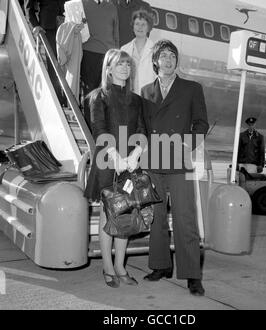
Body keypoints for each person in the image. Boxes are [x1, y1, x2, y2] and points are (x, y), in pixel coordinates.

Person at [141, 40, 209, 296]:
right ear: (155, 61)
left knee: (185, 219)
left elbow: (201, 124)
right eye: (163, 56)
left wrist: (185, 146)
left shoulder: (192, 88)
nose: (168, 60)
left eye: (172, 56)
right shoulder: (146, 91)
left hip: (180, 161)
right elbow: (143, 128)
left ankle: (192, 275)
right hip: (153, 163)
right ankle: (160, 266)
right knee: (156, 218)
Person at [84, 49, 146, 288]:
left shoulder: (136, 99)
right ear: (108, 69)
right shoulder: (97, 97)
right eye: (119, 64)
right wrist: (116, 157)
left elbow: (141, 129)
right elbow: (99, 129)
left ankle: (121, 266)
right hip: (107, 162)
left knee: (125, 216)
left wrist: (135, 155)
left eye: (127, 65)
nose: (124, 68)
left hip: (129, 164)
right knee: (107, 217)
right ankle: (107, 266)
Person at [80, 0, 119, 128]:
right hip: (88, 53)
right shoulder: (82, 4)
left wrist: (116, 55)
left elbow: (116, 34)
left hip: (108, 56)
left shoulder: (112, 7)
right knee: (89, 92)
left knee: (106, 93)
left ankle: (103, 127)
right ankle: (90, 127)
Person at [24, 0, 67, 102]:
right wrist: (35, 25)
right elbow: (28, 7)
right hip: (48, 26)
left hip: (67, 25)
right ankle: (57, 97)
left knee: (67, 62)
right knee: (53, 63)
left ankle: (67, 96)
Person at [121, 9, 155, 95]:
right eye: (137, 24)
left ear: (148, 28)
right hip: (129, 96)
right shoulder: (124, 49)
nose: (140, 27)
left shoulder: (156, 50)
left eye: (143, 24)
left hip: (148, 97)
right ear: (133, 27)